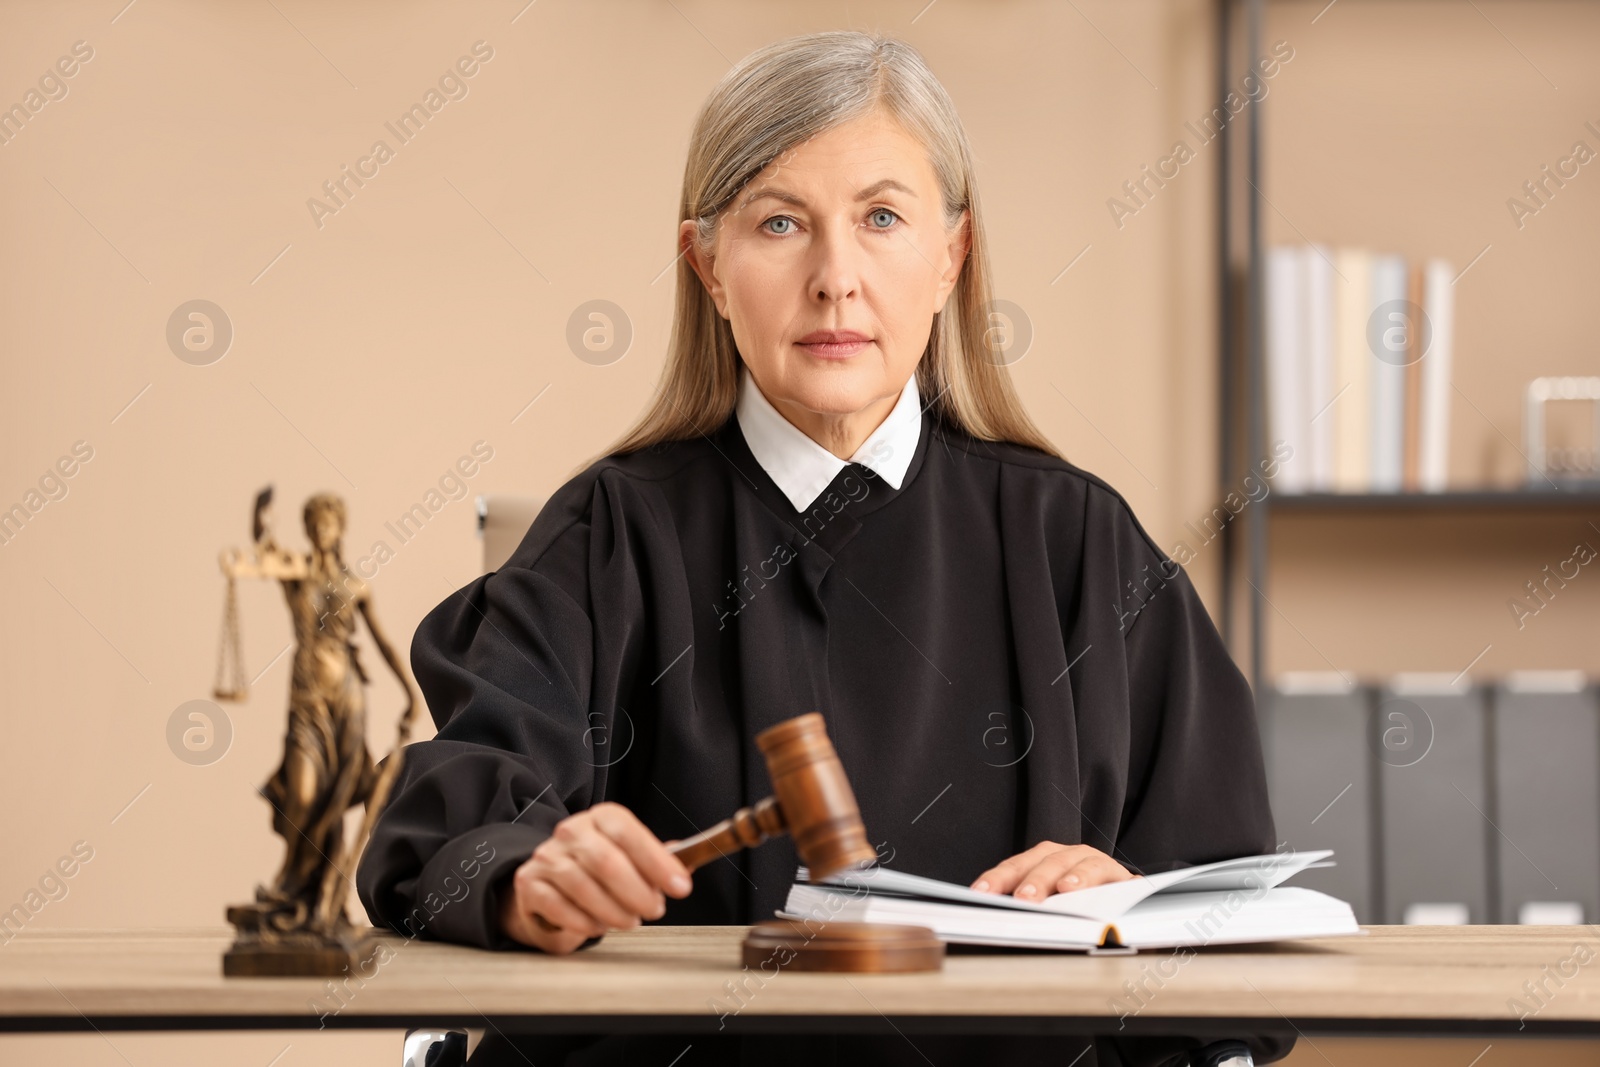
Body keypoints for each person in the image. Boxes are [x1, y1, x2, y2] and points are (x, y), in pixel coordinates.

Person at [356, 29, 1293, 1067]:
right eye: (779, 223)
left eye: (882, 218)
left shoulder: (1079, 544)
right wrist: (526, 873)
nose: (834, 278)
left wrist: (1125, 907)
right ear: (707, 265)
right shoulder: (606, 537)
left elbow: (1228, 908)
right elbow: (444, 825)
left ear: (951, 256)